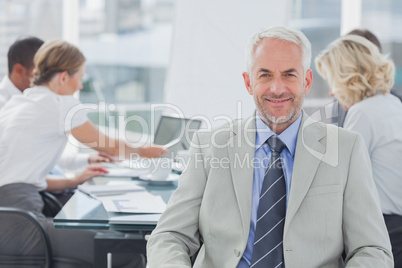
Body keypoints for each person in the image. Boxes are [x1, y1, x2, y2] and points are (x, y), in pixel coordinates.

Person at [146, 26, 393, 267]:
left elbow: (372, 249)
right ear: (248, 82)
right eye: (265, 75)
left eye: (289, 74)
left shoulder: (346, 149)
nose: (277, 88)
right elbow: (170, 236)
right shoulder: (209, 146)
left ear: (306, 81)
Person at [0, 40, 167, 266]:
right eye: (80, 78)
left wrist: (71, 181)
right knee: (124, 251)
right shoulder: (60, 103)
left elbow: (17, 176)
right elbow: (108, 146)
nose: (80, 87)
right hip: (20, 225)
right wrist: (147, 151)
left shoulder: (19, 102)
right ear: (63, 77)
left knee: (114, 240)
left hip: (11, 217)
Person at [316, 33, 402, 267]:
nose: (331, 91)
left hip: (387, 231)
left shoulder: (363, 112)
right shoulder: (392, 104)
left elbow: (337, 181)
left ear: (349, 76)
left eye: (332, 80)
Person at [0, 36, 115, 205]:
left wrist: (85, 162)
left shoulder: (33, 102)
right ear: (19, 70)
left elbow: (39, 154)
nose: (42, 77)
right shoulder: (11, 105)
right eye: (38, 71)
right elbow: (22, 167)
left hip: (42, 189)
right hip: (23, 199)